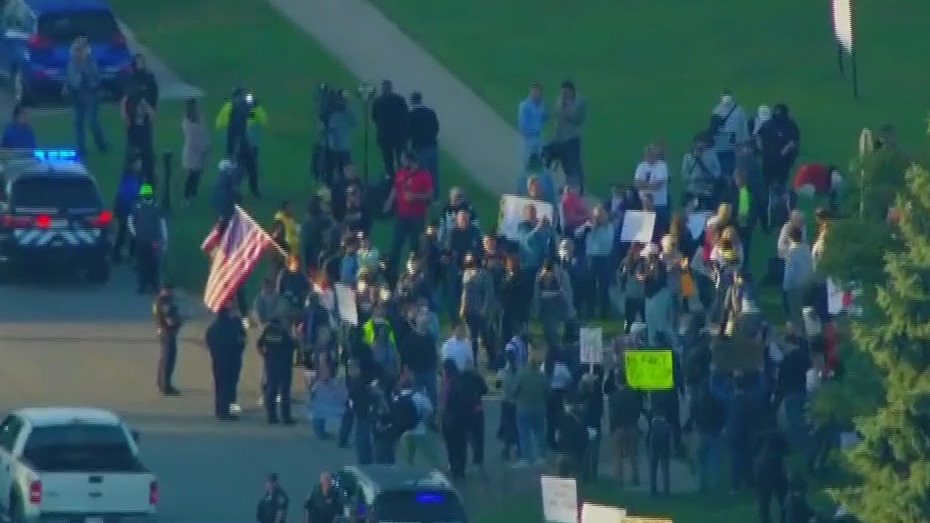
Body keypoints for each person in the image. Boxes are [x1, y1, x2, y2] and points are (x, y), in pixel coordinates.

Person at [384, 151, 433, 273]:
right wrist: (389, 201)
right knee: (396, 244)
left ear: (410, 161)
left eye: (403, 159)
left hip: (417, 216)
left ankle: (412, 272)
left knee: (414, 246)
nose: (401, 162)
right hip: (401, 215)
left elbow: (429, 195)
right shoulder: (401, 172)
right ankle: (391, 272)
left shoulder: (424, 175)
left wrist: (415, 197)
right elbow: (396, 187)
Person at [66, 37, 108, 155]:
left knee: (92, 122)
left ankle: (101, 143)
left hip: (91, 95)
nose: (78, 52)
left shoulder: (90, 61)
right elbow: (72, 79)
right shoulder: (72, 63)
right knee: (78, 122)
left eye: (80, 50)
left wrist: (84, 66)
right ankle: (81, 148)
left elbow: (96, 77)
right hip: (77, 96)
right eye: (76, 50)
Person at [206, 302, 246, 420]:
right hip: (232, 359)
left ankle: (220, 410)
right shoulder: (233, 327)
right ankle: (228, 411)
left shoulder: (213, 328)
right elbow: (240, 341)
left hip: (218, 359)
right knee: (231, 386)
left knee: (220, 385)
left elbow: (209, 341)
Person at [128, 183, 167, 294]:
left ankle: (143, 285)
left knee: (143, 264)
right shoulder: (156, 208)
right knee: (153, 264)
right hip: (153, 241)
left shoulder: (137, 207)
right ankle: (153, 285)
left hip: (142, 241)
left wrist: (136, 234)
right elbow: (163, 226)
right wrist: (164, 241)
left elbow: (130, 221)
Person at [258, 317, 297, 425]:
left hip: (271, 363)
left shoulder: (267, 332)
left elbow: (259, 345)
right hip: (284, 364)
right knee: (284, 391)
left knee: (271, 390)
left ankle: (272, 416)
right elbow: (293, 345)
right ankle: (285, 417)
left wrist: (265, 355)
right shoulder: (283, 332)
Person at [552, 80, 586, 191]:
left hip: (572, 138)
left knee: (574, 164)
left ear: (572, 91)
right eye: (563, 92)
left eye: (566, 92)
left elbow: (578, 119)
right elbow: (557, 116)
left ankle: (578, 187)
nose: (564, 94)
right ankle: (568, 186)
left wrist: (566, 111)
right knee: (565, 164)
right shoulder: (560, 100)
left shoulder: (579, 102)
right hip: (561, 137)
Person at [371, 79, 409, 177]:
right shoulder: (399, 99)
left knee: (388, 161)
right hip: (399, 136)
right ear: (391, 88)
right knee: (401, 159)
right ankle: (403, 178)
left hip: (385, 136)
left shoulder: (378, 101)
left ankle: (390, 179)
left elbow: (374, 117)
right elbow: (406, 116)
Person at [709, 89, 749, 178]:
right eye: (725, 95)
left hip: (737, 144)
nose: (727, 97)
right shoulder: (716, 110)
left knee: (738, 168)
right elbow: (713, 129)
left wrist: (744, 142)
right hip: (721, 146)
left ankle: (734, 181)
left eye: (728, 95)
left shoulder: (739, 109)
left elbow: (744, 126)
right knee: (724, 168)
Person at [121, 80, 156, 179]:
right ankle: (141, 175)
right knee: (138, 155)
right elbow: (151, 114)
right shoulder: (135, 98)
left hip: (139, 131)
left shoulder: (137, 99)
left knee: (142, 156)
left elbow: (151, 114)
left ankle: (144, 177)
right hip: (138, 131)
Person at [407, 92, 440, 198]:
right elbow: (436, 128)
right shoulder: (430, 112)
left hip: (419, 148)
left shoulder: (411, 115)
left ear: (412, 101)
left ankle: (422, 196)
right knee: (434, 173)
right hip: (432, 145)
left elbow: (408, 133)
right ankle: (435, 197)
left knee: (420, 174)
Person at [152, 283, 182, 396]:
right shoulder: (165, 304)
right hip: (168, 334)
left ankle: (161, 383)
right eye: (169, 290)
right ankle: (166, 387)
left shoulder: (158, 301)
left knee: (164, 359)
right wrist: (181, 320)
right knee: (168, 361)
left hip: (162, 332)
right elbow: (170, 321)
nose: (171, 293)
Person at [112, 156, 142, 264]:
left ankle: (128, 254)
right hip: (126, 209)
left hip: (130, 209)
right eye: (138, 163)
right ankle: (118, 255)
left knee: (130, 233)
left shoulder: (135, 176)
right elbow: (128, 194)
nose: (140, 165)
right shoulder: (129, 177)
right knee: (124, 232)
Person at [182, 98, 210, 205]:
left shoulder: (199, 119)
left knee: (197, 175)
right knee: (192, 175)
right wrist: (203, 147)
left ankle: (193, 195)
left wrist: (207, 145)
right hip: (193, 153)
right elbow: (192, 140)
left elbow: (204, 133)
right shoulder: (188, 123)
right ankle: (187, 197)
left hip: (200, 152)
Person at [634, 144, 670, 224]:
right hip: (644, 204)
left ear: (655, 155)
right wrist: (650, 185)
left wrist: (643, 185)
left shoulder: (662, 166)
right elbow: (636, 184)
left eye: (651, 154)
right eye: (647, 154)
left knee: (660, 227)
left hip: (659, 204)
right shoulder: (641, 166)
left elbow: (658, 186)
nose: (648, 156)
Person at [517, 82, 547, 166]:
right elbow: (522, 124)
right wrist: (527, 136)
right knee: (526, 163)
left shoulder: (542, 105)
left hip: (538, 137)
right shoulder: (525, 105)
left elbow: (543, 118)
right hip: (527, 138)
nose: (538, 94)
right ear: (531, 92)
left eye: (539, 92)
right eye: (535, 91)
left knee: (539, 163)